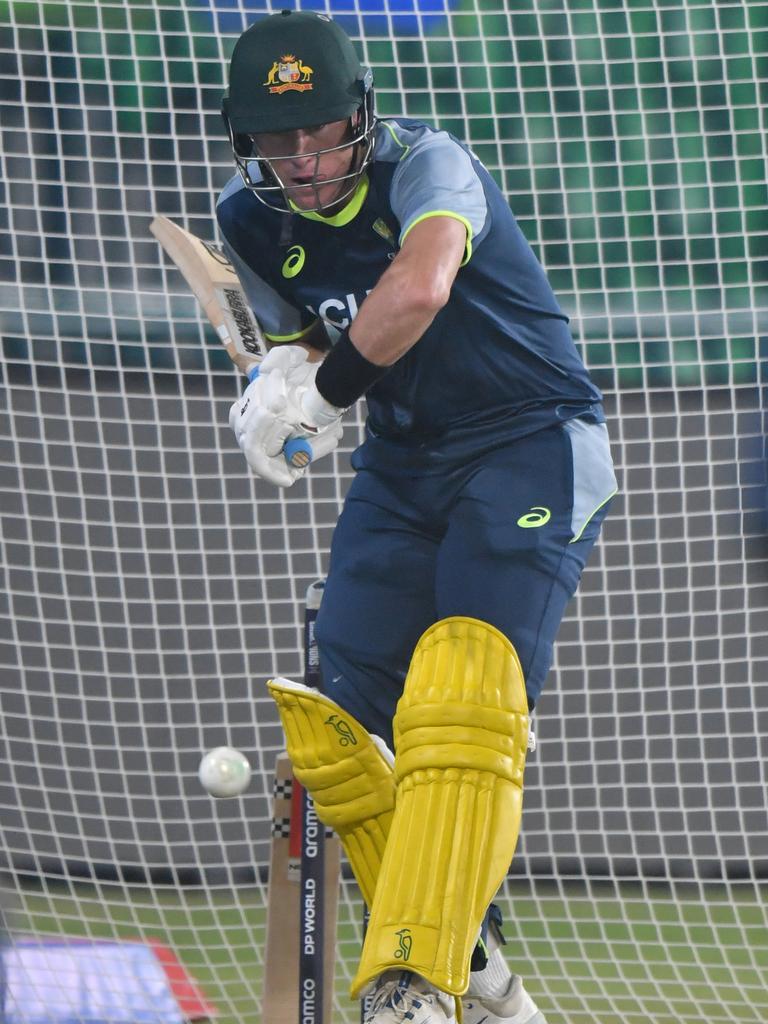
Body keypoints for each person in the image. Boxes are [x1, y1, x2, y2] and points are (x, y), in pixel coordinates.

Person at [217, 10, 617, 1024]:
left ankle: (413, 981)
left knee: (465, 686)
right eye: (277, 141)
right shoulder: (249, 219)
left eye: (320, 134)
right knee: (342, 727)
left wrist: (323, 390)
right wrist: (278, 390)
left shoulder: (428, 166)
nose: (303, 163)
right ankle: (478, 966)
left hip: (528, 436)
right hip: (404, 465)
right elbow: (307, 347)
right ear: (244, 140)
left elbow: (423, 285)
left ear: (362, 115)